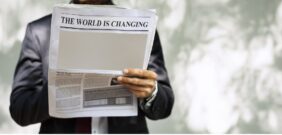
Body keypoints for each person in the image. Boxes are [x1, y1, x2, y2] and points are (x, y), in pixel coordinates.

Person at [9, 0, 174, 133]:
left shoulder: (142, 28)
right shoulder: (39, 32)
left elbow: (165, 105)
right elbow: (20, 110)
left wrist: (151, 92)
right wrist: (58, 86)